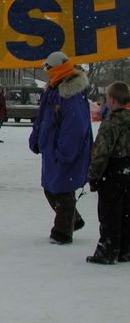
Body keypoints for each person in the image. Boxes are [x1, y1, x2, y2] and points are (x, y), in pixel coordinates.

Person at [29, 51, 92, 245]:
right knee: (50, 188)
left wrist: (64, 151)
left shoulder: (70, 93)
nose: (46, 71)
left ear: (56, 68)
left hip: (64, 151)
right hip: (51, 149)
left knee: (63, 190)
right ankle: (74, 219)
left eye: (48, 67)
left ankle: (62, 232)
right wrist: (36, 139)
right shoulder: (53, 90)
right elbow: (42, 118)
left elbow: (75, 127)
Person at [86, 81, 130, 264]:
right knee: (126, 212)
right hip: (128, 169)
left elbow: (101, 152)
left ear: (111, 100)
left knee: (109, 212)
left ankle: (108, 249)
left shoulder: (111, 122)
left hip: (113, 170)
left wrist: (94, 176)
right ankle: (125, 249)